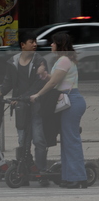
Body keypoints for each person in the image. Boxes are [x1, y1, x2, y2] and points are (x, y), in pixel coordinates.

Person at [0, 31, 48, 186]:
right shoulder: (13, 62)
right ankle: (24, 172)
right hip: (21, 107)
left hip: (36, 106)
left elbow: (39, 85)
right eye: (31, 42)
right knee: (23, 140)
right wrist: (0, 92)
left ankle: (42, 172)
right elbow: (8, 82)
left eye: (35, 42)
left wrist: (22, 97)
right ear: (23, 45)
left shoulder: (40, 61)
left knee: (38, 139)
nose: (35, 44)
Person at [30, 32, 87, 189]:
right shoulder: (63, 60)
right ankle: (70, 176)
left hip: (71, 101)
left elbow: (54, 82)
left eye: (54, 43)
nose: (51, 45)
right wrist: (44, 75)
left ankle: (77, 177)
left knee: (71, 140)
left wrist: (38, 94)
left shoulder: (63, 59)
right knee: (68, 140)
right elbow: (54, 79)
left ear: (60, 44)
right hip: (68, 100)